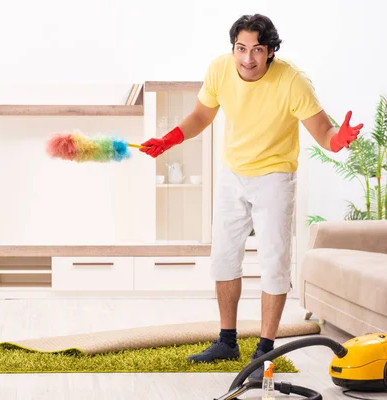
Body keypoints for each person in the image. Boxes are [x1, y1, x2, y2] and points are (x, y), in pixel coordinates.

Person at [140, 14, 363, 380]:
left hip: (274, 176)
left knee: (274, 262)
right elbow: (201, 114)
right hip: (233, 173)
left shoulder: (292, 80)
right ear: (233, 49)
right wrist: (169, 140)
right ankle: (227, 341)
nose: (247, 59)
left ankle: (265, 350)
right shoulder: (219, 70)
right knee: (224, 258)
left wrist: (337, 141)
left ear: (271, 51)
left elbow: (323, 130)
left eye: (257, 50)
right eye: (241, 49)